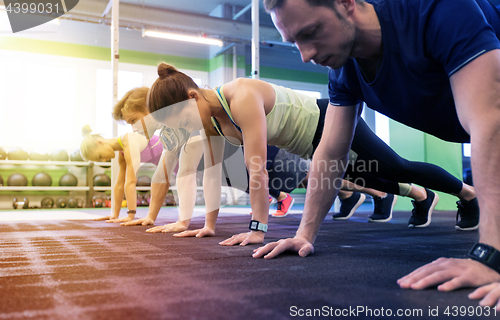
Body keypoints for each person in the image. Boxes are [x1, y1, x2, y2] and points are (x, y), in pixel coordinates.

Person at [257, 0, 500, 304]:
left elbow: (490, 122)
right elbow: (331, 153)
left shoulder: (437, 10)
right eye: (294, 42)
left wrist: (491, 254)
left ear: (346, 3)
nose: (306, 55)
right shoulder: (344, 70)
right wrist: (304, 235)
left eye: (311, 32)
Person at [147, 63, 478, 246]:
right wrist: (207, 225)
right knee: (372, 178)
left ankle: (467, 193)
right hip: (308, 146)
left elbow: (256, 168)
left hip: (328, 119)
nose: (187, 130)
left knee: (395, 167)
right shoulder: (209, 123)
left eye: (183, 121)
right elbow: (212, 171)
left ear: (193, 98)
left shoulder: (241, 96)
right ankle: (421, 197)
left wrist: (257, 228)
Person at [80, 125, 163, 223]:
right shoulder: (122, 149)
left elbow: (131, 181)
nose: (103, 160)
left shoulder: (128, 141)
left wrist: (130, 215)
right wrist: (115, 214)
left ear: (99, 142)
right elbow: (119, 183)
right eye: (99, 160)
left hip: (175, 154)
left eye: (100, 156)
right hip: (167, 162)